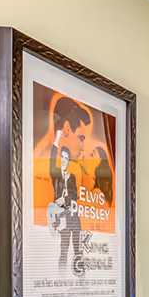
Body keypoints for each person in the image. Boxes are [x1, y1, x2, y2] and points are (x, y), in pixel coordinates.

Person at [48, 97, 90, 272]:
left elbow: (75, 197)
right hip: (63, 218)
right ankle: (62, 276)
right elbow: (52, 163)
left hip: (74, 217)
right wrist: (57, 142)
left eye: (66, 159)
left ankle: (80, 277)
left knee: (78, 250)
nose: (64, 161)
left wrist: (65, 200)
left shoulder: (72, 177)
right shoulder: (56, 176)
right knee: (64, 249)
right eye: (81, 137)